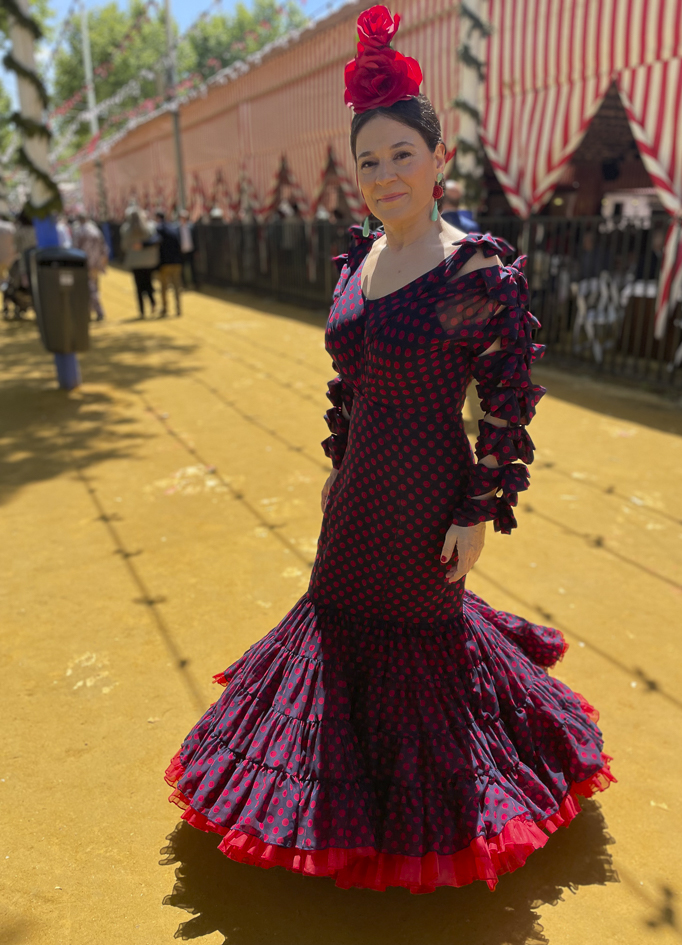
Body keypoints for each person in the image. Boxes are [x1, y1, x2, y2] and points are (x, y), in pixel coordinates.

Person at [165, 5, 614, 894]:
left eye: (401, 154)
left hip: (423, 492)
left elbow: (504, 407)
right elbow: (349, 383)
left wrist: (476, 513)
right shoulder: (358, 260)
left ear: (439, 158)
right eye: (367, 161)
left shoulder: (471, 271)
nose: (383, 175)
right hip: (356, 491)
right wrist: (336, 466)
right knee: (333, 616)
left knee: (417, 637)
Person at [120, 206, 158, 318]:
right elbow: (154, 241)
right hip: (149, 261)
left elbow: (124, 246)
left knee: (139, 287)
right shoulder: (149, 227)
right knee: (148, 283)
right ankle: (152, 302)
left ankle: (142, 311)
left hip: (134, 262)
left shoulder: (125, 229)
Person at [73, 210, 108, 321]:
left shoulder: (78, 232)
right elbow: (104, 248)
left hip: (85, 264)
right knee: (94, 287)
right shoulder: (95, 230)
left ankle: (96, 311)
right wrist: (102, 263)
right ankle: (91, 311)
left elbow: (75, 249)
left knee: (88, 289)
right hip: (96, 264)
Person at [155, 211, 183, 317]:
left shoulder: (159, 229)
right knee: (177, 287)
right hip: (176, 262)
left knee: (164, 288)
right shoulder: (174, 228)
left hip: (165, 263)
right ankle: (178, 309)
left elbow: (155, 242)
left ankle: (165, 309)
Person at [178, 208, 199, 289]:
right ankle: (184, 284)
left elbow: (196, 239)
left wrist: (196, 250)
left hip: (191, 250)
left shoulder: (191, 227)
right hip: (182, 251)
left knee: (193, 267)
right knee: (182, 268)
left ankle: (195, 283)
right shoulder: (177, 228)